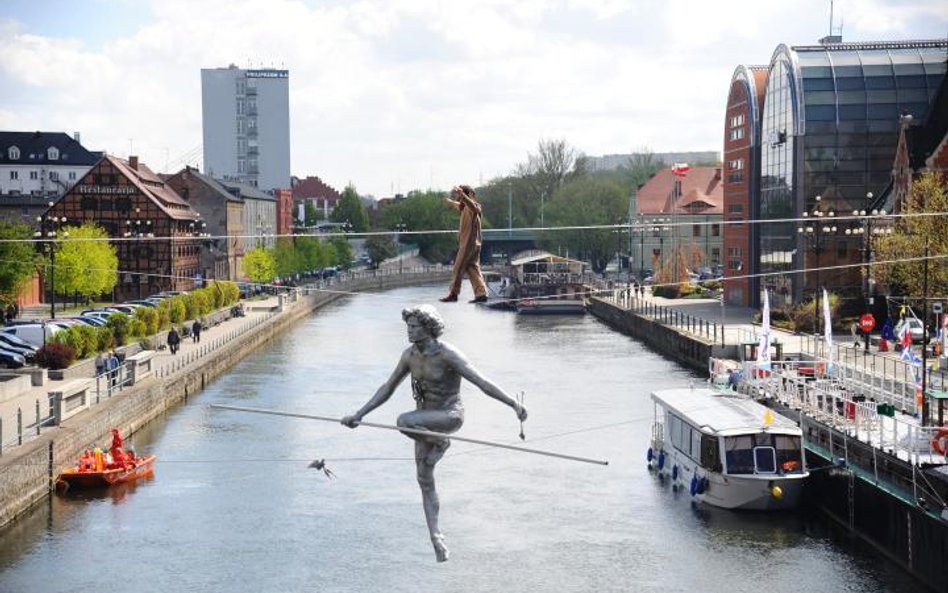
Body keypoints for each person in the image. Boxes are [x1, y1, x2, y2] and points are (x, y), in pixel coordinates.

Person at [341, 304, 527, 562]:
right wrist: (359, 414)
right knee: (424, 479)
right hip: (424, 420)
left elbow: (481, 382)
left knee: (403, 420)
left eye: (415, 326)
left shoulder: (447, 354)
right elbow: (387, 387)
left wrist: (513, 404)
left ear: (428, 328)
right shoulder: (409, 356)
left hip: (449, 416)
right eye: (408, 326)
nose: (409, 331)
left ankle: (441, 443)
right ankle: (436, 538)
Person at [440, 185, 488, 304]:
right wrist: (450, 202)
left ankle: (454, 294)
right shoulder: (465, 207)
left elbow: (472, 206)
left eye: (460, 196)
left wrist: (463, 195)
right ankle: (481, 293)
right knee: (472, 268)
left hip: (468, 244)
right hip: (474, 243)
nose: (459, 199)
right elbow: (459, 206)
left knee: (458, 267)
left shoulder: (474, 206)